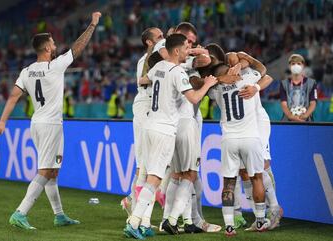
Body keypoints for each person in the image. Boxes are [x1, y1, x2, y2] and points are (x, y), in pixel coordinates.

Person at [0, 11, 102, 230]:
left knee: (52, 171)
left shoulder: (27, 71)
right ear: (46, 48)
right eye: (52, 43)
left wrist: (2, 121)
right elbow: (77, 48)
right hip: (50, 125)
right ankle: (20, 212)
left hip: (38, 123)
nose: (55, 45)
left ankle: (59, 215)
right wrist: (92, 25)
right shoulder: (55, 66)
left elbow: (14, 96)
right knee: (45, 171)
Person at [123, 33, 217, 240]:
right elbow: (193, 97)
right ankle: (134, 221)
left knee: (148, 175)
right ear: (176, 51)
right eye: (185, 48)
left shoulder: (158, 67)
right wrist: (208, 84)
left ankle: (140, 222)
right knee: (154, 179)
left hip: (149, 126)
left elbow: (142, 79)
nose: (187, 51)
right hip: (164, 129)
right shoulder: (177, 72)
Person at [204, 48, 270, 237]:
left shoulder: (217, 89)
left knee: (229, 183)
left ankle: (230, 226)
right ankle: (259, 221)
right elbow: (262, 69)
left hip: (229, 139)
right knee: (256, 177)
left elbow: (206, 85)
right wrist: (246, 58)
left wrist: (221, 77)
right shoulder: (248, 78)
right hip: (250, 138)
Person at [120, 27, 164, 223]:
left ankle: (132, 203)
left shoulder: (157, 57)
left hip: (151, 110)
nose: (164, 39)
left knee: (148, 165)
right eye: (160, 37)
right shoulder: (146, 60)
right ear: (149, 42)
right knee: (145, 165)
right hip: (145, 109)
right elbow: (145, 81)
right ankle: (139, 217)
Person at [280, 54, 318, 122]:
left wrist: (305, 116)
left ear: (303, 66)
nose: (296, 66)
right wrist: (290, 116)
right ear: (289, 66)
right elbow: (284, 104)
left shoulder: (312, 83)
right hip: (288, 120)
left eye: (299, 63)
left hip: (306, 120)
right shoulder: (284, 84)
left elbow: (313, 103)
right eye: (293, 64)